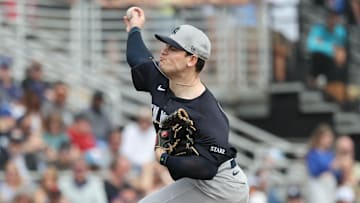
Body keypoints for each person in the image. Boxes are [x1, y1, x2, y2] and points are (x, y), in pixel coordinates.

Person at [123, 7, 249, 203]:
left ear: (192, 59)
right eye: (166, 45)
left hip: (221, 187)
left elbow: (206, 168)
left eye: (173, 48)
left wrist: (164, 158)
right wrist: (135, 28)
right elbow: (137, 58)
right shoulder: (160, 79)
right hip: (195, 182)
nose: (163, 51)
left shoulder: (207, 113)